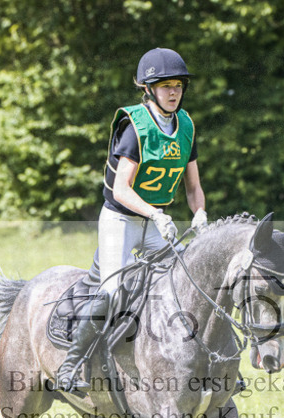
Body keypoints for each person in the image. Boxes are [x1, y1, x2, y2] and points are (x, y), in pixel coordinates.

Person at [56, 47, 208, 393]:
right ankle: (71, 365)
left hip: (156, 222)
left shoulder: (185, 126)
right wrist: (156, 213)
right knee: (110, 292)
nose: (173, 92)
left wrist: (199, 213)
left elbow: (193, 186)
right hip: (121, 220)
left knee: (191, 281)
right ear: (148, 89)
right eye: (165, 85)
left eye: (178, 86)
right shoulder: (134, 127)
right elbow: (122, 189)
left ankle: (206, 362)